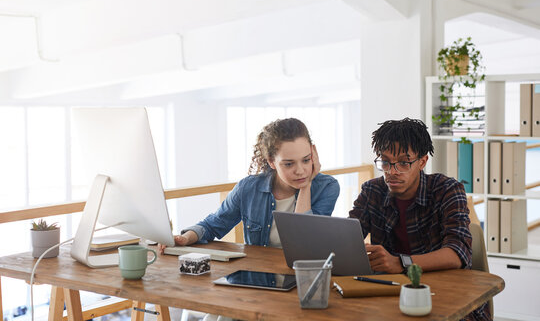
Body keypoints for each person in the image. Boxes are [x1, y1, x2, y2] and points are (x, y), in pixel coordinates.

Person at [349, 118, 489, 320]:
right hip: (391, 297)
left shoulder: (447, 190)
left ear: (422, 161)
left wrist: (401, 263)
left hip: (449, 298)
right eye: (386, 162)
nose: (392, 172)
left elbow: (457, 254)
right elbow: (348, 238)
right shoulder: (372, 190)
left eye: (404, 163)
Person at [160, 117, 340, 251]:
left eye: (306, 160)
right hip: (258, 280)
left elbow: (303, 242)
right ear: (271, 162)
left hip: (302, 277)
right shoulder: (248, 188)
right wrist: (184, 238)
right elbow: (214, 224)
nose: (300, 171)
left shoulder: (326, 187)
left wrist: (306, 186)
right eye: (289, 164)